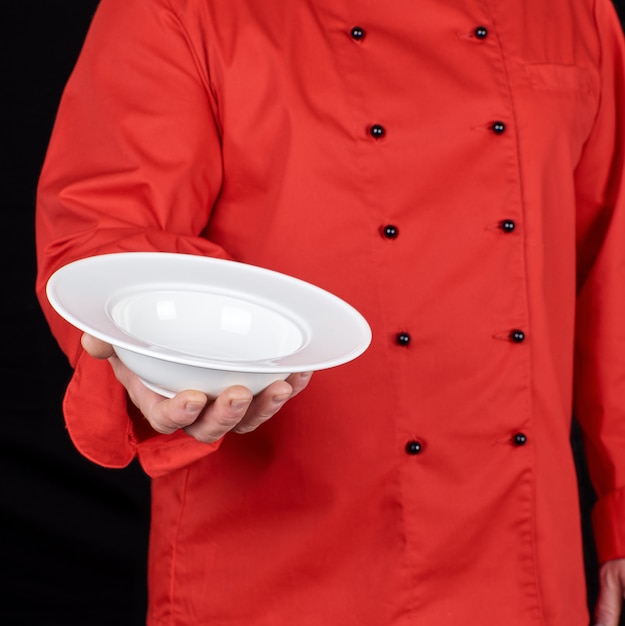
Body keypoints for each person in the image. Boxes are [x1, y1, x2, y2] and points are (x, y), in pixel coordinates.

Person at [35, 0, 625, 624]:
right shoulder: (179, 9)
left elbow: (613, 272)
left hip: (518, 563)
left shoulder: (574, 10)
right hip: (274, 566)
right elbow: (109, 227)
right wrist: (146, 358)